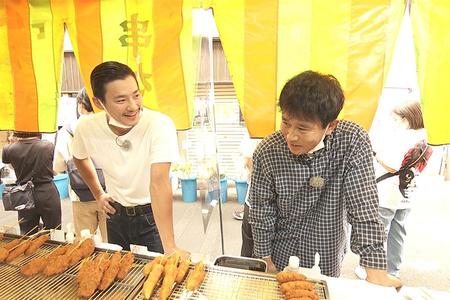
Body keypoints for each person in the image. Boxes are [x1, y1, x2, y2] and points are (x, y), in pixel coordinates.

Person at [246, 70, 401, 287]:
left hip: (325, 249)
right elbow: (262, 209)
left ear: (331, 126)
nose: (291, 135)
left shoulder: (351, 141)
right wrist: (265, 259)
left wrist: (374, 270)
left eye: (303, 128)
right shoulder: (269, 150)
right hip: (280, 249)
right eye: (286, 122)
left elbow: (363, 204)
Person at [72, 61, 185, 255]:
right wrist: (98, 193)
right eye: (121, 100)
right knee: (121, 276)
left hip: (151, 216)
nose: (133, 106)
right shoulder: (86, 126)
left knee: (155, 276)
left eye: (136, 95)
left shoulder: (159, 124)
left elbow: (158, 183)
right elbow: (79, 158)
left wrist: (170, 246)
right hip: (115, 215)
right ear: (99, 102)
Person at [372, 101, 431, 278]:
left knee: (379, 232)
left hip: (388, 193)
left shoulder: (403, 136)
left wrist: (377, 156)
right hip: (407, 194)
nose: (395, 122)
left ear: (407, 118)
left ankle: (374, 270)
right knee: (398, 232)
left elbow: (392, 166)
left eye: (397, 119)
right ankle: (393, 271)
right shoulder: (427, 137)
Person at [53, 88, 107, 241]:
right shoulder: (109, 127)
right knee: (111, 243)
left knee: (84, 243)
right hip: (109, 195)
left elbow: (58, 167)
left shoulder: (68, 130)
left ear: (80, 105)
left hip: (80, 196)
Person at [1, 131, 61, 234]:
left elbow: (11, 166)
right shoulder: (48, 146)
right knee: (54, 231)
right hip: (46, 191)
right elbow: (56, 171)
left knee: (27, 232)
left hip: (23, 193)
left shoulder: (8, 149)